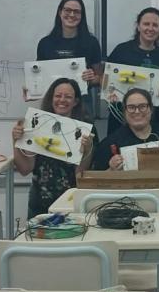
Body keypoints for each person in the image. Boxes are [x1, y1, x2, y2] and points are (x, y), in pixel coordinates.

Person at [12, 77, 97, 219]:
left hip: (71, 201)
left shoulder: (85, 130)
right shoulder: (36, 124)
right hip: (40, 201)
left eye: (68, 97)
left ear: (75, 102)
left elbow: (80, 175)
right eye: (58, 95)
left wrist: (87, 151)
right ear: (51, 98)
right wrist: (15, 140)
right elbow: (25, 169)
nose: (62, 100)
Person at [93, 88, 159, 187]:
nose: (137, 111)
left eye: (142, 106)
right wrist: (111, 170)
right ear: (124, 111)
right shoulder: (112, 141)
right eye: (131, 107)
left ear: (151, 110)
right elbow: (94, 180)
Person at [106, 7, 159, 135]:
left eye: (155, 25)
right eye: (146, 24)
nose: (150, 28)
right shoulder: (121, 51)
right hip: (121, 119)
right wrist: (108, 92)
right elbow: (106, 79)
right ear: (138, 26)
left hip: (150, 120)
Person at [36, 0, 102, 87]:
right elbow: (38, 75)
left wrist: (90, 78)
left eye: (77, 12)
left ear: (82, 16)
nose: (72, 15)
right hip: (53, 95)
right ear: (60, 12)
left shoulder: (92, 42)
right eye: (67, 10)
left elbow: (100, 78)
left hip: (81, 95)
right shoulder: (45, 43)